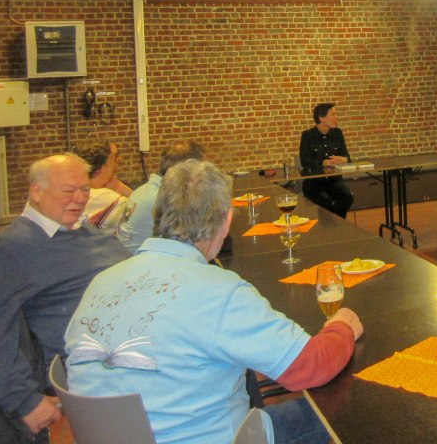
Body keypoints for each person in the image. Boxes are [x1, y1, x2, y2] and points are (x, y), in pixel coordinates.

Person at [65, 160, 363, 444]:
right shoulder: (220, 291)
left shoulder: (101, 282)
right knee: (342, 402)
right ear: (226, 220)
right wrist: (342, 328)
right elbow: (310, 367)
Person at [0, 154, 129, 440]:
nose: (79, 199)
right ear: (37, 192)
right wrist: (25, 402)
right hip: (89, 382)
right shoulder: (11, 251)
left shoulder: (85, 233)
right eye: (69, 191)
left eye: (85, 190)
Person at [117, 139, 206, 253]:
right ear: (187, 169)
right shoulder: (165, 198)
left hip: (129, 257)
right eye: (203, 169)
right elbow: (195, 242)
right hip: (140, 259)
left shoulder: (144, 190)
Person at [299, 102, 355, 218]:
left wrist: (343, 159)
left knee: (347, 198)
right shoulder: (308, 135)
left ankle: (337, 223)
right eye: (333, 114)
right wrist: (323, 162)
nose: (336, 117)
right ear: (321, 118)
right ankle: (334, 224)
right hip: (314, 183)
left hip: (334, 181)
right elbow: (305, 161)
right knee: (326, 203)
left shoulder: (337, 133)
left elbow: (347, 157)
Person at [72, 141, 133, 229]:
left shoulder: (80, 191)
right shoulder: (102, 197)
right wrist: (123, 189)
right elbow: (147, 213)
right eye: (115, 156)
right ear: (100, 167)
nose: (120, 159)